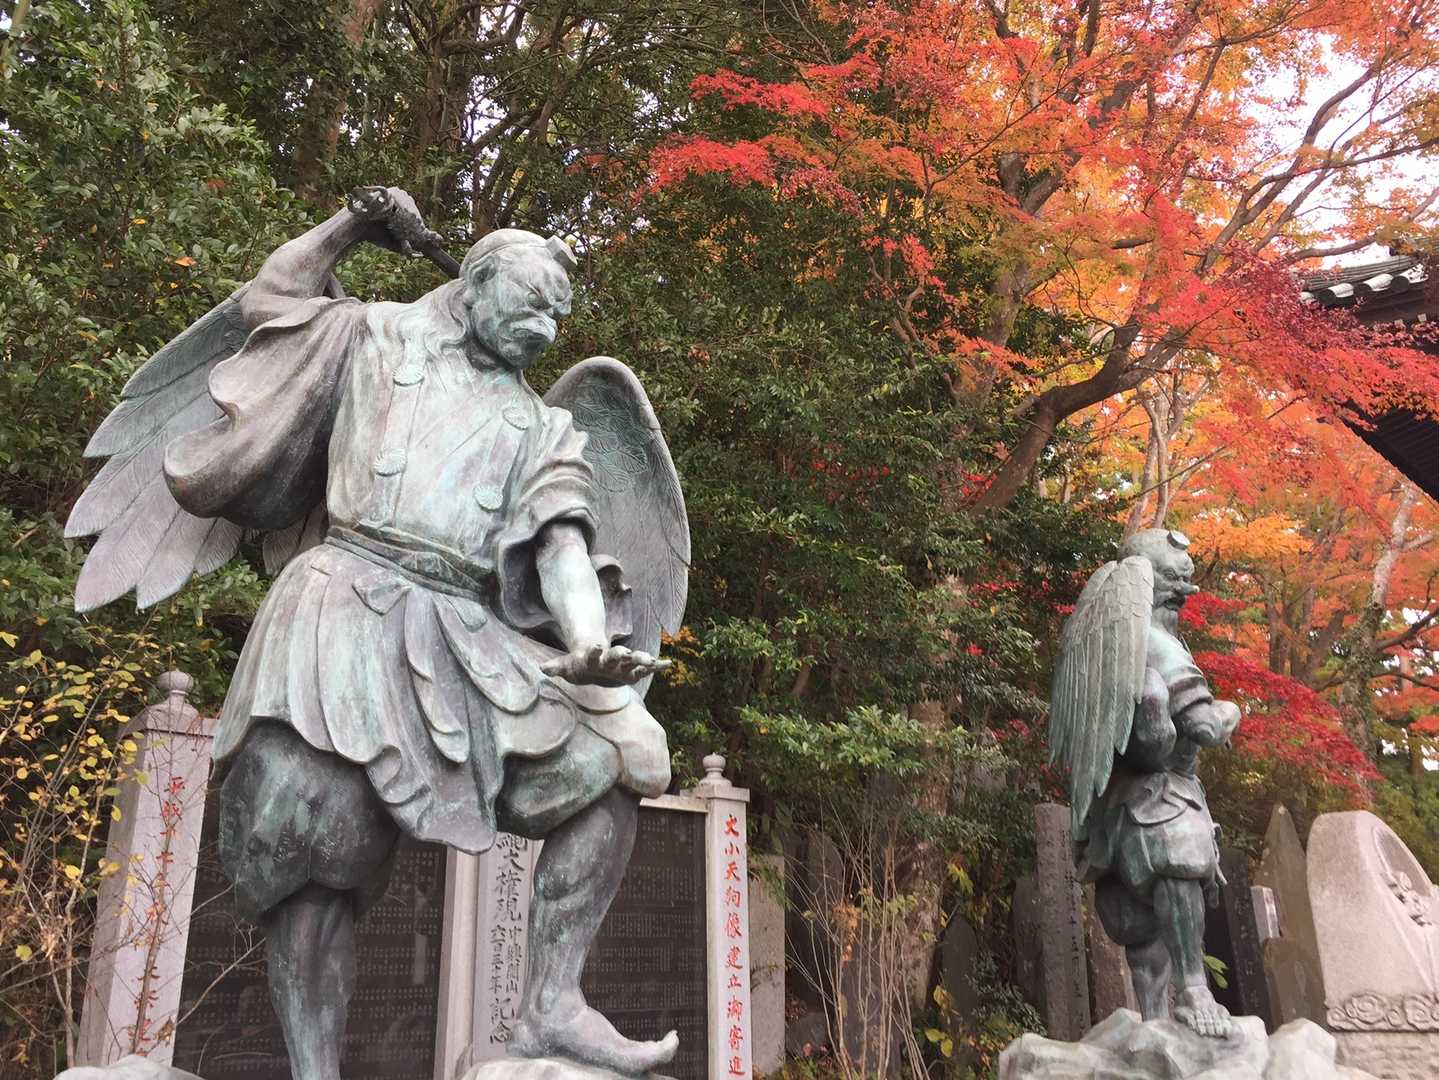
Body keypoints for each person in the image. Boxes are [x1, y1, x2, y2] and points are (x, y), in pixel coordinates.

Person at [162, 189, 680, 1079]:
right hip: (340, 605)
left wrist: (586, 640)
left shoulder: (542, 425)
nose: (545, 332)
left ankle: (553, 1004)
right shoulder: (372, 335)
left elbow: (561, 542)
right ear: (474, 284)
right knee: (312, 850)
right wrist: (350, 225)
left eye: (558, 318)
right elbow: (270, 299)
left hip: (463, 628)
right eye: (530, 307)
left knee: (617, 754)